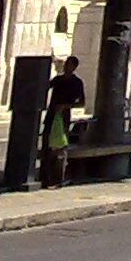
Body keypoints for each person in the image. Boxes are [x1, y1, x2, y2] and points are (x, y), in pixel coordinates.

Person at [41, 58, 85, 189]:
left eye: (69, 65)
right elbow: (45, 87)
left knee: (60, 148)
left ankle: (58, 178)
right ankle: (45, 177)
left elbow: (82, 102)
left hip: (63, 117)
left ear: (74, 67)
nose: (66, 67)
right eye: (65, 64)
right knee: (47, 145)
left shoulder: (76, 82)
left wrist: (66, 106)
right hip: (51, 115)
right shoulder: (57, 80)